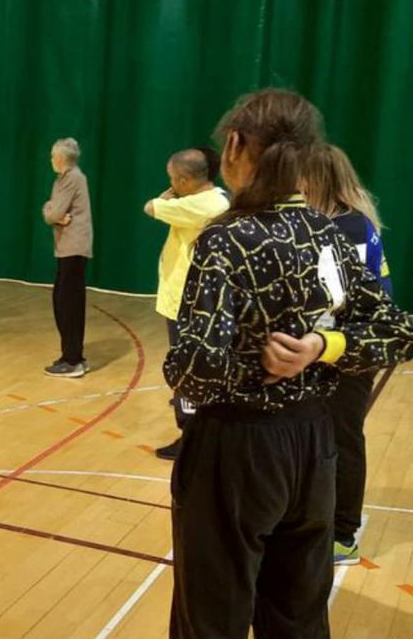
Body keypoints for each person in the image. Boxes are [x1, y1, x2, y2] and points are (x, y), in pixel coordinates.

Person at [164, 88, 413, 638]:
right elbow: (399, 330)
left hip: (237, 450)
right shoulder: (329, 231)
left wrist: (250, 367)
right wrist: (320, 350)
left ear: (234, 146)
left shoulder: (227, 238)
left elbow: (195, 369)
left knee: (212, 617)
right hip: (313, 448)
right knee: (297, 616)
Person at [299, 143, 393, 566]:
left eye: (298, 178)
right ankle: (321, 520)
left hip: (352, 350)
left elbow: (336, 301)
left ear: (315, 180)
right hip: (343, 346)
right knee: (329, 437)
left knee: (344, 439)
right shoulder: (342, 220)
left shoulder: (349, 227)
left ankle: (342, 535)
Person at [144, 147, 231, 459]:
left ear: (183, 179)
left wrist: (172, 191)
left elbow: (151, 207)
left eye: (173, 178)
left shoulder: (196, 205)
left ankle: (191, 439)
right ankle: (203, 434)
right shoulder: (220, 197)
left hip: (186, 301)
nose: (170, 183)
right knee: (202, 369)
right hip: (199, 300)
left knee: (186, 371)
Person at [42, 138, 93, 377]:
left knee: (68, 304)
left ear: (60, 158)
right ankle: (73, 356)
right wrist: (54, 213)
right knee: (64, 301)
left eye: (53, 156)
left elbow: (53, 212)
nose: (51, 160)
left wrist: (50, 212)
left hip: (73, 247)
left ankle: (72, 360)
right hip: (70, 248)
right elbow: (56, 213)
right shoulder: (73, 177)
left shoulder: (70, 178)